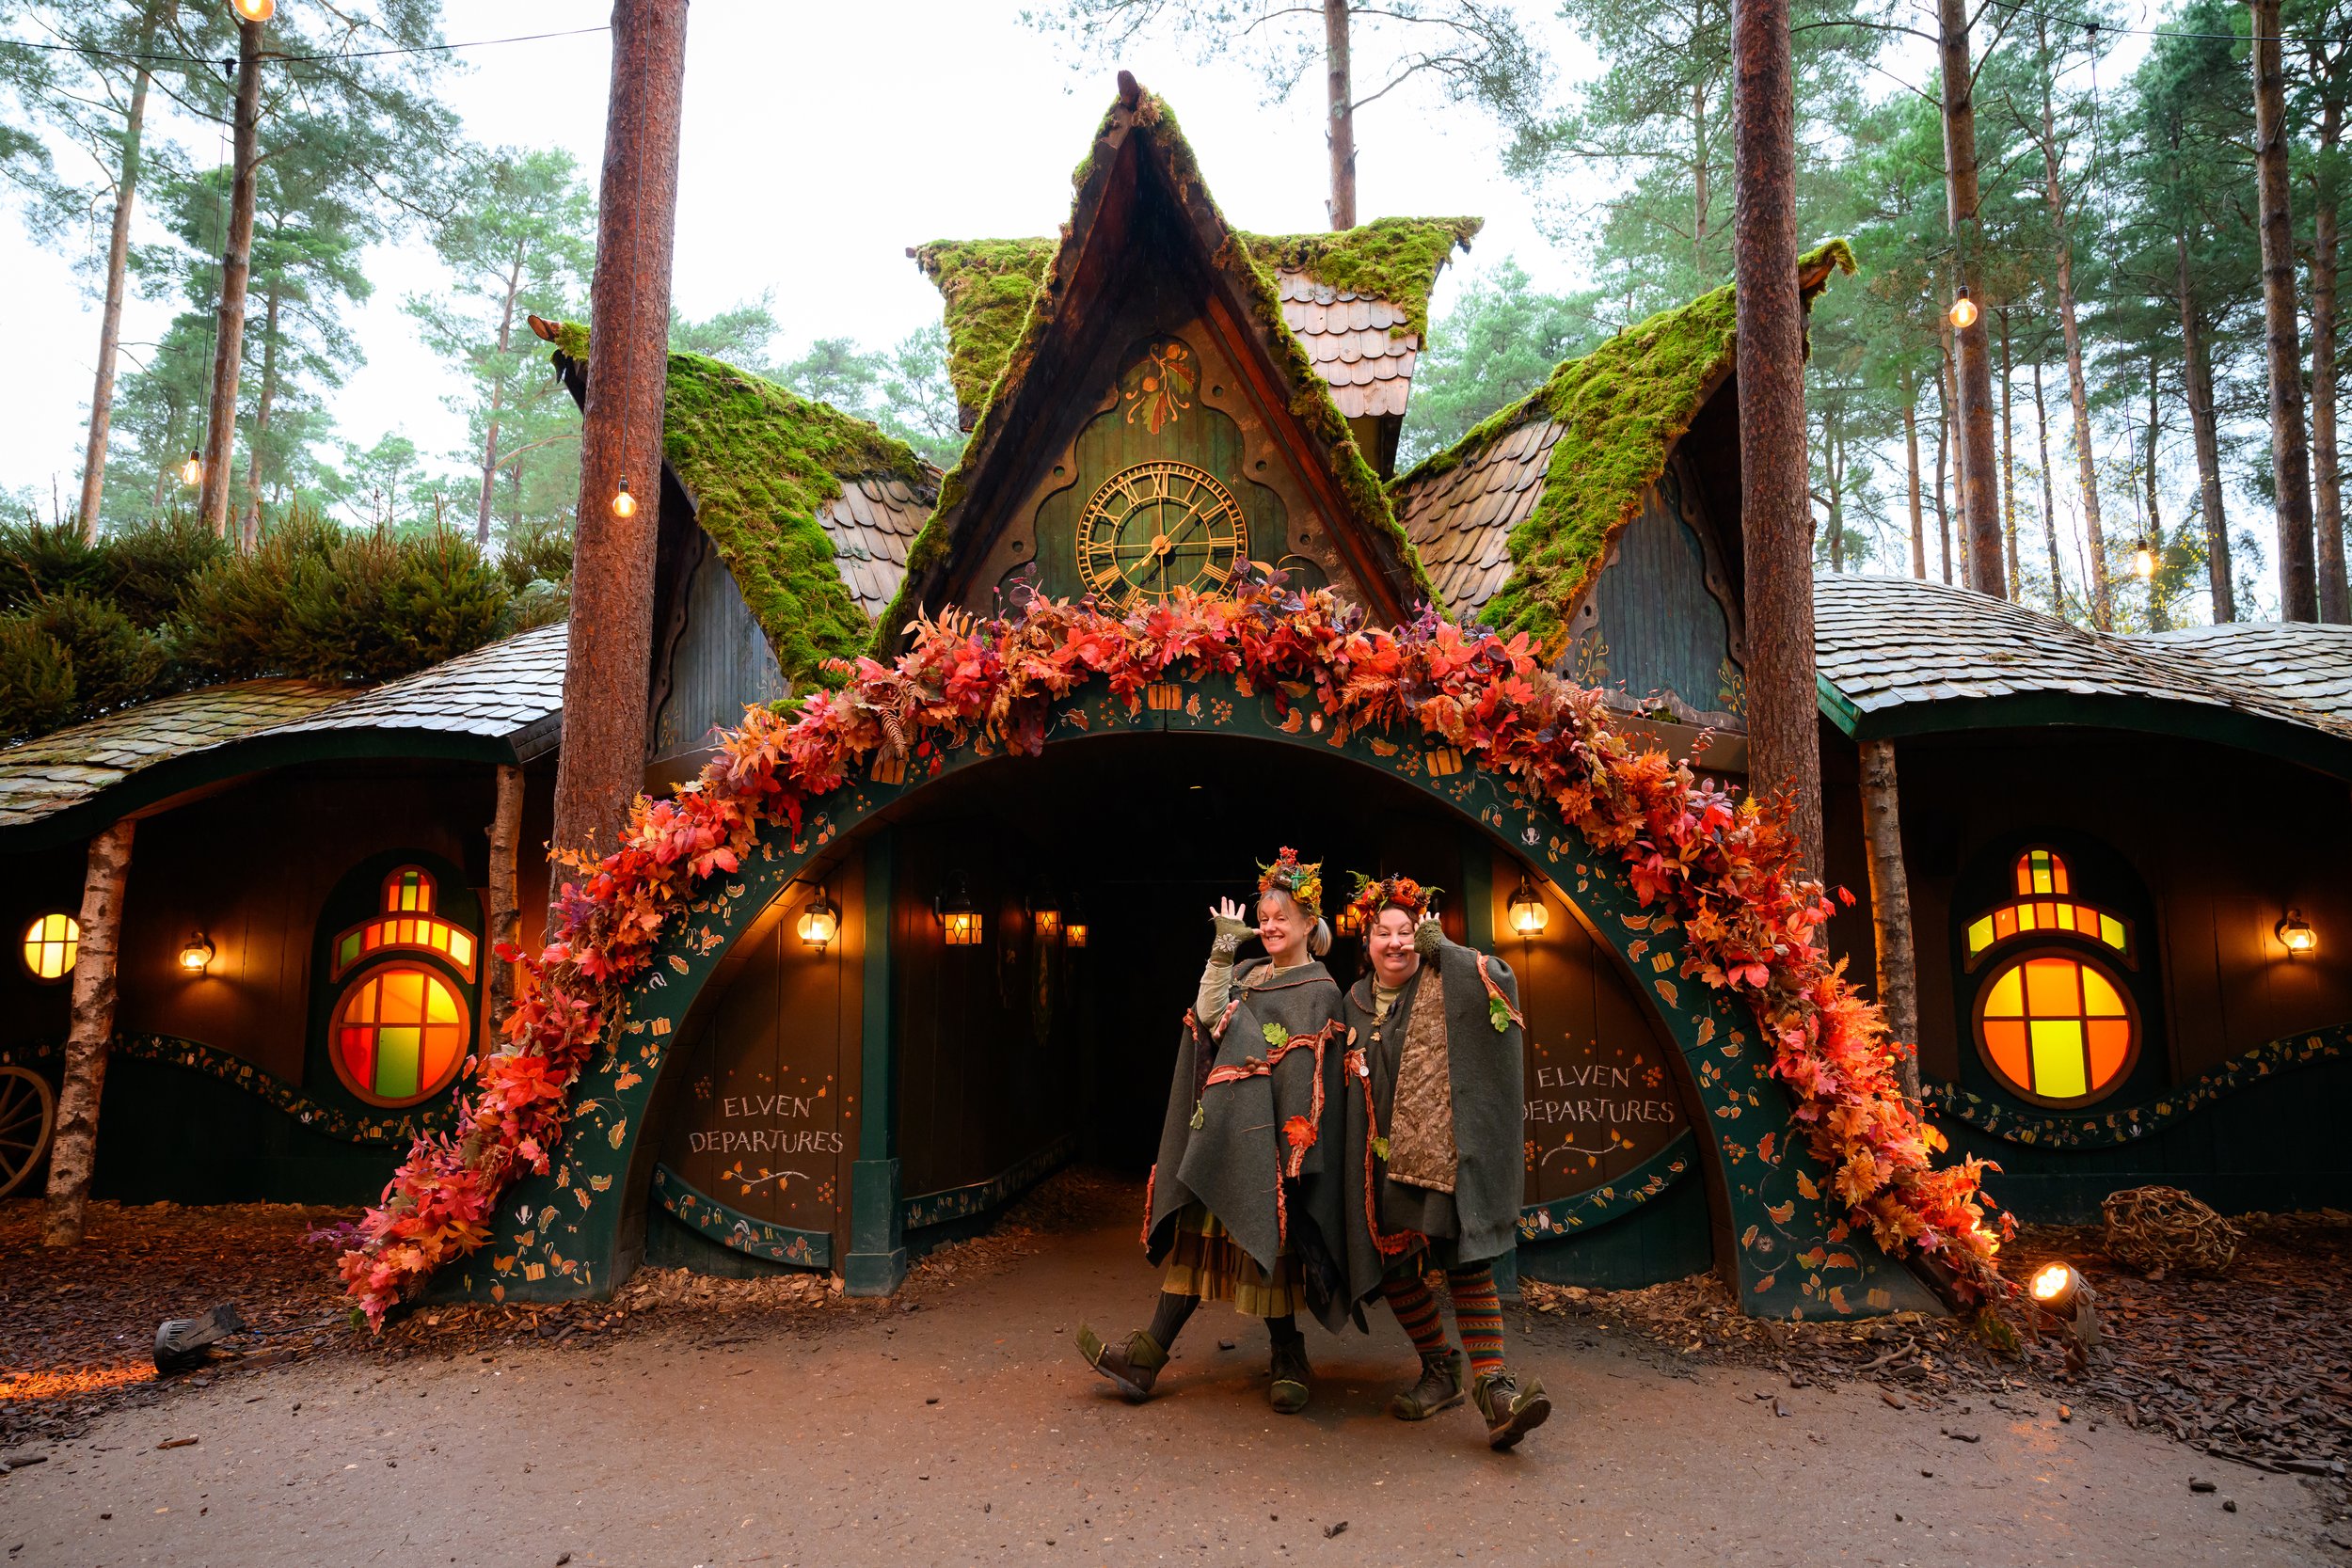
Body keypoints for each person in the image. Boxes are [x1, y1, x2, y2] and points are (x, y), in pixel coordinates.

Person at [1077, 848, 1350, 1414]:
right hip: (1226, 1128)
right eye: (1263, 917)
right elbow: (1207, 1016)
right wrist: (1224, 947)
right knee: (1198, 1240)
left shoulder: (1321, 990)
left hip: (1276, 1141)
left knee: (1264, 1243)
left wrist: (1292, 1145)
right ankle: (1147, 1358)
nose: (1270, 926)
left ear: (1308, 925)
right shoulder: (1247, 975)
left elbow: (1310, 1077)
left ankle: (1289, 1355)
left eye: (1282, 918)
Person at [1333, 872, 1551, 1450]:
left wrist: (1446, 951)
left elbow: (1497, 989)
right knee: (1395, 1266)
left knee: (1464, 1260)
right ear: (1367, 940)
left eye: (1408, 932)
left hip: (1438, 1156)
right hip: (1373, 1161)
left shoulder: (1445, 985)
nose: (1397, 943)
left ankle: (1497, 1395)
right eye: (1384, 932)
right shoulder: (1348, 1004)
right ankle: (1440, 1369)